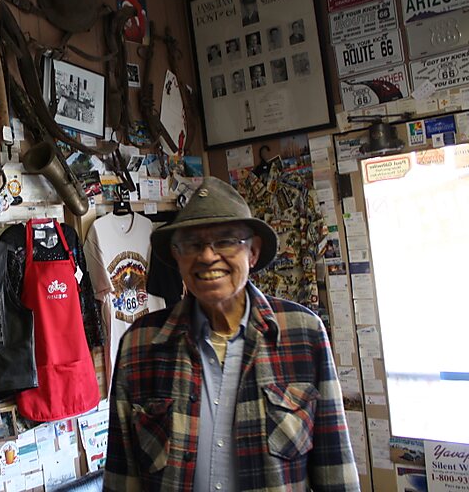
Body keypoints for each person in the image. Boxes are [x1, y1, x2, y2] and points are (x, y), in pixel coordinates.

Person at [103, 177, 359, 491]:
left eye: (225, 241)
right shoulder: (140, 344)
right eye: (192, 244)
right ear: (177, 257)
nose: (207, 256)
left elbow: (336, 470)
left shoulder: (303, 333)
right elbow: (122, 475)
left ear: (253, 252)